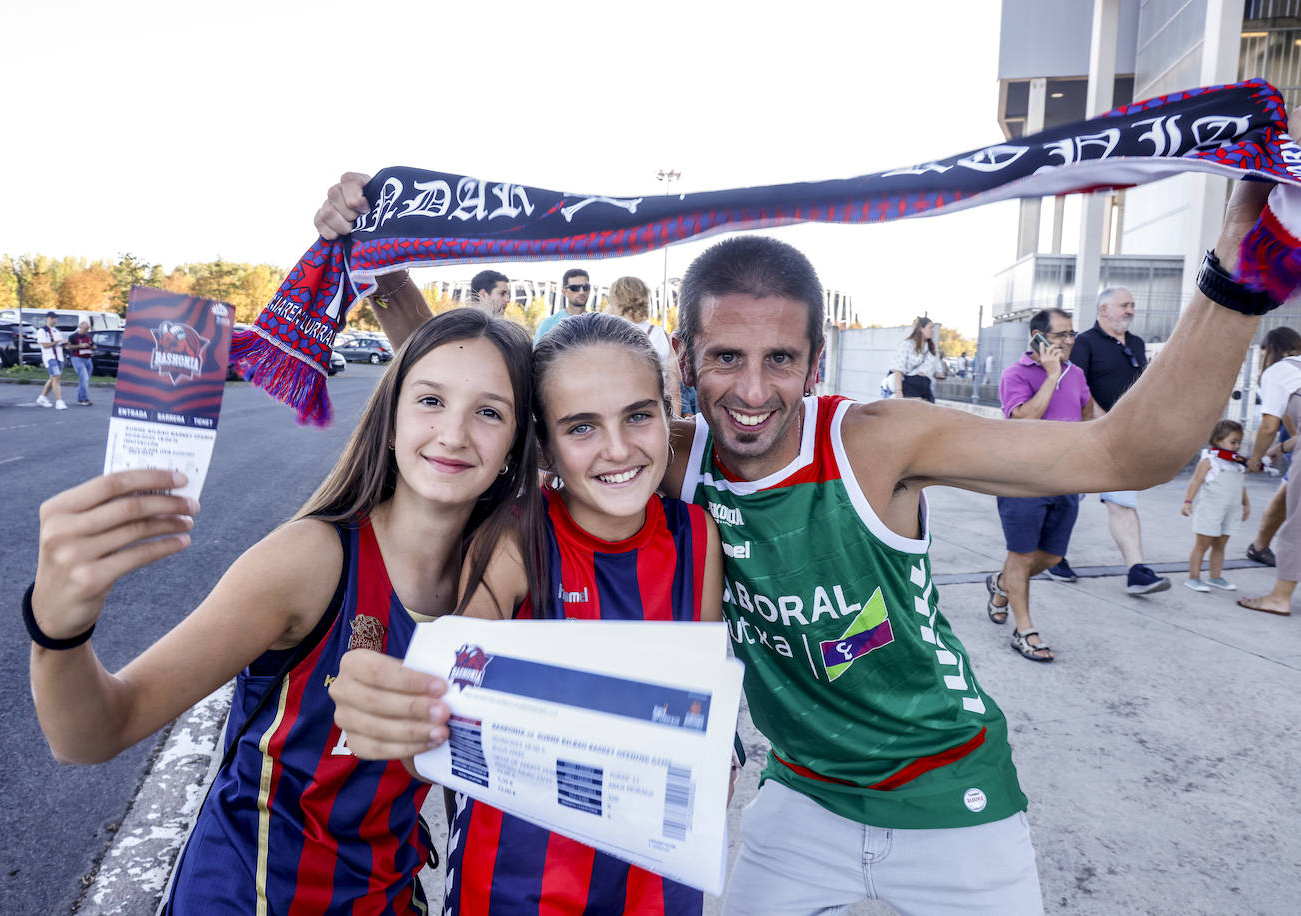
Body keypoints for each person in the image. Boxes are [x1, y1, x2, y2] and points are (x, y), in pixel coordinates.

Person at [313, 170, 1277, 913]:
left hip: (951, 793)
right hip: (801, 796)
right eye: (725, 358)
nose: (752, 390)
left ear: (818, 360)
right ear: (683, 360)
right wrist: (380, 259)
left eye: (781, 359)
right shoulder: (659, 451)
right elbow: (510, 403)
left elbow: (1128, 449)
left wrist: (1235, 283)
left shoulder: (876, 440)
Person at [28, 309, 540, 914]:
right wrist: (58, 630)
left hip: (389, 897)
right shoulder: (310, 560)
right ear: (392, 417)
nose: (454, 433)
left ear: (515, 443)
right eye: (430, 400)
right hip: (247, 896)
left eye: (489, 412)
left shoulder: (509, 577)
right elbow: (93, 734)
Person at [332, 311, 723, 914]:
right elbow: (438, 725)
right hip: (517, 889)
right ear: (542, 443)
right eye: (581, 427)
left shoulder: (697, 536)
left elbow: (699, 718)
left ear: (669, 415)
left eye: (639, 416)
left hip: (659, 883)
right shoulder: (518, 541)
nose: (618, 449)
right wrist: (386, 710)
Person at [985, 308, 1090, 662]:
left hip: (1066, 479)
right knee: (1023, 554)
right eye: (1061, 335)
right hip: (1023, 479)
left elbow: (1088, 415)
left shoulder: (1076, 374)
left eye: (1071, 334)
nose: (1069, 341)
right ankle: (1025, 630)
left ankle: (1003, 584)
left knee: (1053, 555)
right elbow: (1025, 419)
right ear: (1038, 337)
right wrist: (1050, 375)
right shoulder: (1015, 374)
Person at [1068, 287, 1171, 595]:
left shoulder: (1137, 343)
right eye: (1124, 305)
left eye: (1132, 306)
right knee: (1066, 500)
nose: (1130, 311)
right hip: (1088, 434)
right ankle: (1053, 556)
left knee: (1122, 501)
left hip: (1125, 439)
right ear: (1103, 310)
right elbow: (1076, 385)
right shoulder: (1084, 343)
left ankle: (1137, 570)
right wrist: (1105, 422)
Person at [1244, 327, 1301, 566]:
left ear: (1269, 351)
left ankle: (1281, 589)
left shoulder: (1276, 372)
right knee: (1288, 492)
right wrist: (1282, 448)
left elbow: (1269, 425)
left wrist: (1255, 459)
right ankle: (1260, 546)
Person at [1182, 420, 1250, 592]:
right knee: (1202, 545)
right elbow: (1195, 481)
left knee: (1220, 545)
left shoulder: (1237, 464)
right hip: (1211, 510)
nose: (1237, 446)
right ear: (1219, 440)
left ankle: (1215, 576)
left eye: (1239, 442)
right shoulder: (1210, 460)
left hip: (1231, 511)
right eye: (1233, 442)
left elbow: (1240, 487)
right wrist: (1188, 502)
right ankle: (1194, 577)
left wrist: (1246, 504)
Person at [605, 274, 682, 415]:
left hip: (616, 415)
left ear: (616, 301)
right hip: (655, 414)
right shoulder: (660, 334)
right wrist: (674, 426)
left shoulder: (606, 335)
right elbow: (674, 390)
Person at [889, 315, 945, 402]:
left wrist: (939, 375)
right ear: (921, 329)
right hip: (910, 387)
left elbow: (937, 370)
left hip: (926, 389)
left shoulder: (932, 349)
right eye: (930, 327)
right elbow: (898, 369)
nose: (933, 330)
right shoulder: (907, 345)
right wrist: (899, 392)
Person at [534, 268, 590, 341]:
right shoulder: (548, 324)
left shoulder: (598, 324)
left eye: (585, 287)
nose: (581, 292)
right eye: (575, 288)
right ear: (564, 292)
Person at [34, 311, 68, 410]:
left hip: (59, 357)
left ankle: (42, 397)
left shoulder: (57, 331)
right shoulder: (42, 331)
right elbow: (45, 345)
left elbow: (60, 344)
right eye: (52, 318)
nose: (54, 320)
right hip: (50, 357)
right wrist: (57, 342)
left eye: (56, 318)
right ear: (47, 318)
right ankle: (59, 401)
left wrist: (64, 344)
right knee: (56, 377)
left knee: (54, 378)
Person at [67, 319, 94, 406]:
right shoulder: (73, 336)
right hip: (77, 358)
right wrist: (80, 346)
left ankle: (80, 398)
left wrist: (92, 347)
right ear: (80, 327)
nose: (86, 331)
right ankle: (84, 398)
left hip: (88, 358)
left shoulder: (88, 336)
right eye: (85, 329)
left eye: (88, 329)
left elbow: (93, 345)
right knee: (84, 377)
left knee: (84, 379)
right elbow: (68, 347)